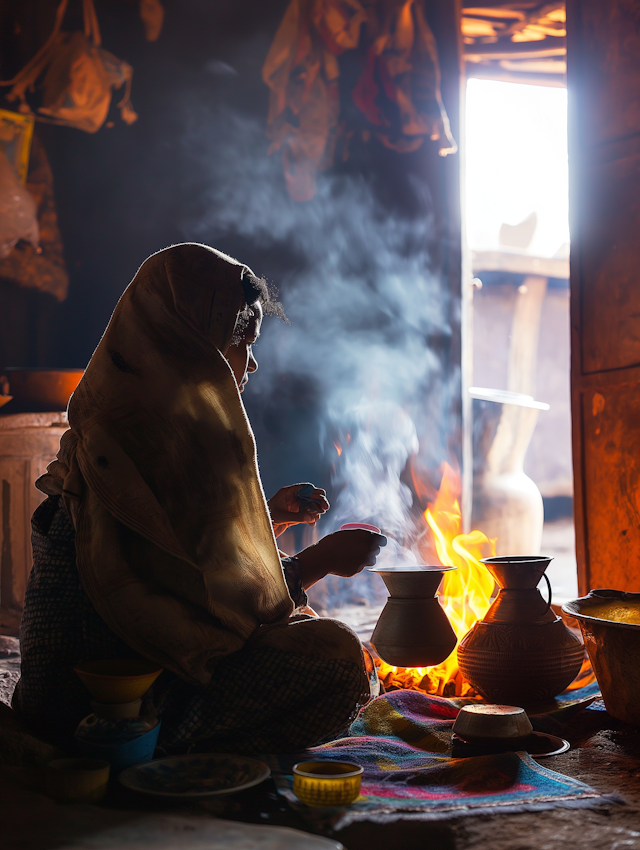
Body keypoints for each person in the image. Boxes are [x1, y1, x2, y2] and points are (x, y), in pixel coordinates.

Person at [13, 243, 385, 755]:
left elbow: (181, 553)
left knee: (317, 641)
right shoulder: (146, 443)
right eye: (241, 342)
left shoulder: (129, 416)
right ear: (188, 338)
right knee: (339, 662)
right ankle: (160, 751)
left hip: (79, 688)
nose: (250, 363)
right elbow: (213, 602)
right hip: (110, 702)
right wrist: (318, 562)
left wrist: (266, 517)